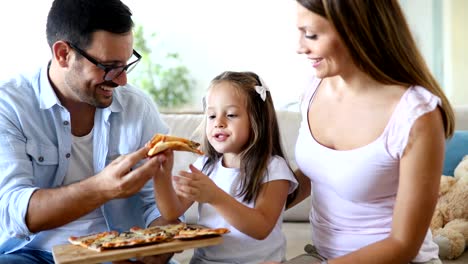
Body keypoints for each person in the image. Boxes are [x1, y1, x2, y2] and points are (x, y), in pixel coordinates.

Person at [0, 0, 177, 263]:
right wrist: (103, 188)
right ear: (63, 54)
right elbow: (13, 210)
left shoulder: (137, 107)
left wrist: (156, 248)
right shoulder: (10, 106)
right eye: (109, 67)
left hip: (121, 253)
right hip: (33, 254)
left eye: (126, 65)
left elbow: (157, 205)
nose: (122, 80)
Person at [285, 1, 455, 264]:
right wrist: (247, 201)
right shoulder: (314, 87)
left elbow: (403, 244)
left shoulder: (416, 115)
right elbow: (316, 172)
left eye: (311, 34)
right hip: (325, 257)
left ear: (354, 29)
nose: (300, 47)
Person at [152, 71, 298, 264]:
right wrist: (160, 175)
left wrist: (215, 196)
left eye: (230, 115)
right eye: (211, 115)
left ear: (257, 120)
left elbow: (261, 228)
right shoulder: (205, 165)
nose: (219, 123)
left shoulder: (273, 169)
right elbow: (171, 212)